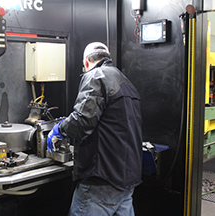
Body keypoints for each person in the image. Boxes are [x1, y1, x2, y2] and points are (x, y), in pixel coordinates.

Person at [47, 42, 143, 216]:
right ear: (108, 58)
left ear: (86, 63)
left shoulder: (95, 76)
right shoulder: (124, 81)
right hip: (127, 178)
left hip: (102, 181)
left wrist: (58, 130)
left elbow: (82, 120)